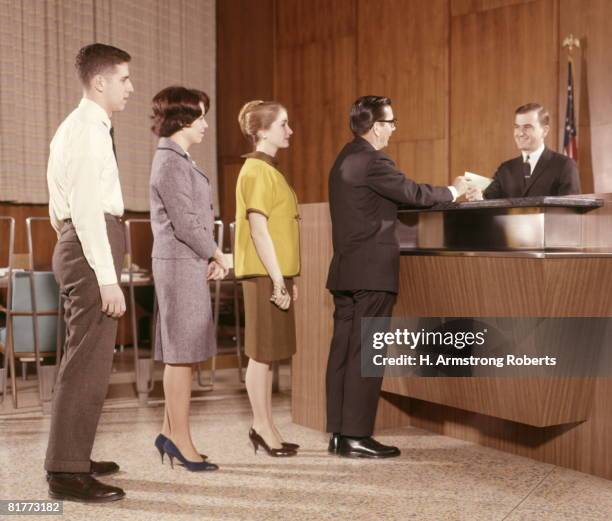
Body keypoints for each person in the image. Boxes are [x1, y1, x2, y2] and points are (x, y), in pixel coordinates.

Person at [325, 95, 467, 458]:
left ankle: (340, 434)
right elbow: (412, 193)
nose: (393, 128)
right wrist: (454, 191)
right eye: (391, 122)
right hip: (372, 272)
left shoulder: (344, 157)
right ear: (375, 127)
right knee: (365, 353)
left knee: (343, 352)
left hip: (345, 271)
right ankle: (357, 436)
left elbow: (384, 200)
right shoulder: (374, 160)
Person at [45, 43, 133, 502]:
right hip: (89, 241)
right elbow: (82, 209)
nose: (130, 88)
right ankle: (65, 471)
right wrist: (104, 275)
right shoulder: (86, 129)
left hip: (82, 241)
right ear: (100, 81)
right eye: (124, 79)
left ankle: (73, 453)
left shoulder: (80, 127)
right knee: (86, 363)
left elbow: (59, 210)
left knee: (86, 359)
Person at [149, 86, 228, 471]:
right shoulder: (170, 162)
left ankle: (168, 432)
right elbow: (186, 222)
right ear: (181, 119)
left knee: (182, 354)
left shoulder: (178, 158)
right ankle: (181, 440)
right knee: (181, 357)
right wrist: (215, 252)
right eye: (200, 117)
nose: (205, 125)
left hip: (185, 262)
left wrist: (206, 257)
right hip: (178, 263)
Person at [234, 100, 300, 457]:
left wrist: (289, 277)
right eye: (283, 125)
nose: (289, 131)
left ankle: (267, 425)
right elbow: (259, 231)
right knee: (260, 355)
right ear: (261, 131)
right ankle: (260, 426)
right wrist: (277, 280)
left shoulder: (270, 170)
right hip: (263, 275)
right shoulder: (256, 171)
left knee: (270, 354)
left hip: (275, 274)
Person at [467, 103, 580, 200]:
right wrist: (478, 198)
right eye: (517, 127)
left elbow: (570, 213)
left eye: (527, 127)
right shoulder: (505, 169)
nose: (520, 133)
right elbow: (488, 204)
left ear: (544, 131)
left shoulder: (564, 166)